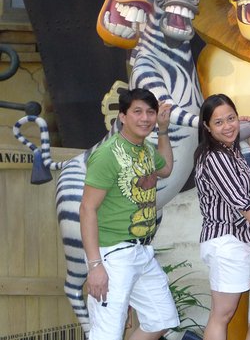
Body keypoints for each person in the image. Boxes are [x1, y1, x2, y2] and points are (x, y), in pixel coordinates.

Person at [80, 87, 179, 339]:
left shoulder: (145, 149)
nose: (145, 118)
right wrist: (95, 266)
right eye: (137, 111)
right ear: (122, 116)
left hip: (141, 251)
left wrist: (163, 130)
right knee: (107, 333)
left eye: (150, 112)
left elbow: (166, 168)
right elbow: (87, 208)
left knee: (161, 318)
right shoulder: (107, 154)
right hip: (113, 254)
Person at [193, 94, 250, 340]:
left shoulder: (232, 151)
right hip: (225, 241)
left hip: (246, 239)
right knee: (223, 313)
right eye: (218, 122)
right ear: (207, 126)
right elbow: (243, 204)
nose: (227, 126)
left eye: (231, 118)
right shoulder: (215, 157)